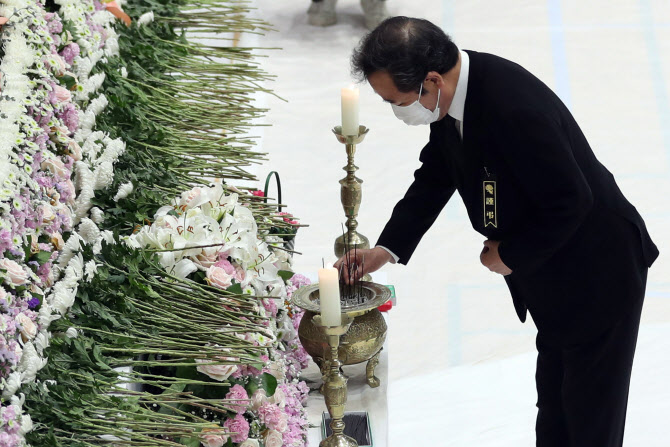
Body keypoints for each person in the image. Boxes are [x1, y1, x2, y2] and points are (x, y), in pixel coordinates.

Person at [333, 16, 659, 447]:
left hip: (597, 272)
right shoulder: (456, 96)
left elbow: (572, 201)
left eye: (397, 99)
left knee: (590, 418)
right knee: (557, 409)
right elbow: (437, 173)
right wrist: (386, 248)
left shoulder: (512, 108)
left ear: (431, 81)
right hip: (554, 270)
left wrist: (510, 253)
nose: (396, 111)